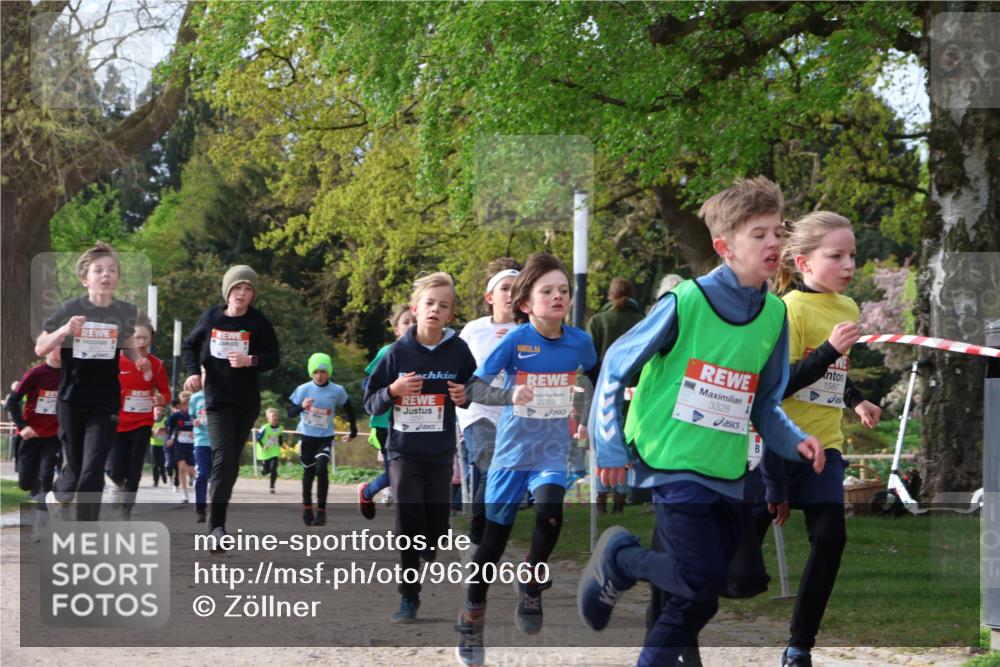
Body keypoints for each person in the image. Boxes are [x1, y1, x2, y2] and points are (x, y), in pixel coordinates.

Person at [577, 176, 825, 667]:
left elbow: (764, 405)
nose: (774, 242)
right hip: (672, 459)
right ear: (724, 247)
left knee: (703, 594)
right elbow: (614, 368)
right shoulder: (685, 301)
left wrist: (795, 441)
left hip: (727, 470)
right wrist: (608, 445)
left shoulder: (775, 315)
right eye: (759, 234)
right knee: (701, 579)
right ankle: (620, 559)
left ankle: (622, 564)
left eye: (778, 232)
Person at [455, 252, 598, 666]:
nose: (558, 297)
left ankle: (531, 581)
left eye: (564, 291)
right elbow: (474, 389)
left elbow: (596, 376)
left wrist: (586, 416)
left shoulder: (580, 341)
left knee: (551, 513)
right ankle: (472, 612)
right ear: (525, 303)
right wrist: (509, 395)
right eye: (547, 291)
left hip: (551, 451)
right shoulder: (515, 341)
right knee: (492, 546)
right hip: (512, 454)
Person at [763, 211, 882, 667]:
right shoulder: (788, 309)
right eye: (837, 256)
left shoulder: (847, 307)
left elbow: (831, 374)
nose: (849, 264)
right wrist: (831, 348)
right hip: (776, 447)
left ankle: (799, 647)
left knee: (831, 539)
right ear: (803, 262)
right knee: (738, 566)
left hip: (825, 447)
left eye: (852, 254)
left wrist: (856, 401)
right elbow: (781, 384)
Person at [364, 272, 477, 623]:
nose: (435, 310)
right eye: (429, 303)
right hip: (403, 450)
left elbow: (472, 389)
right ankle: (408, 597)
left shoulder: (458, 351)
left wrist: (465, 395)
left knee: (436, 528)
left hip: (440, 451)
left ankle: (431, 540)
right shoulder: (396, 353)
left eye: (443, 305)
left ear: (450, 315)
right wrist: (394, 390)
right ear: (415, 308)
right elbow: (370, 402)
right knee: (407, 516)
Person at [36, 242, 147, 521]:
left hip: (105, 399)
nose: (106, 275)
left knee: (93, 467)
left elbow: (125, 340)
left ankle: (86, 534)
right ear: (85, 279)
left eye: (112, 270)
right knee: (74, 470)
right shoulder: (70, 308)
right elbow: (40, 348)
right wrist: (64, 330)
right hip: (71, 398)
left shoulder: (125, 311)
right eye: (99, 270)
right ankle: (58, 496)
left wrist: (138, 358)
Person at [182, 265, 280, 550]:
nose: (242, 294)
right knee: (223, 459)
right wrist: (192, 372)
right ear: (228, 291)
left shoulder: (258, 322)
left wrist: (250, 360)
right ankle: (216, 528)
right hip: (217, 400)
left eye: (248, 289)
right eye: (237, 288)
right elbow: (190, 345)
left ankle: (218, 519)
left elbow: (274, 357)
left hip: (246, 401)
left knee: (231, 465)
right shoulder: (211, 317)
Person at [455, 258, 521, 545]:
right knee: (489, 467)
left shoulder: (529, 329)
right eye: (505, 288)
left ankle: (492, 539)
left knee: (507, 477)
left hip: (515, 413)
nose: (510, 294)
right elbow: (457, 368)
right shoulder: (473, 330)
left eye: (516, 289)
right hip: (477, 411)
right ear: (489, 297)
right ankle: (476, 541)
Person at [587, 277, 645, 513]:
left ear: (609, 295)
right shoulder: (643, 321)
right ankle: (622, 497)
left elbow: (590, 360)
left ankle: (601, 496)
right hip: (637, 390)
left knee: (604, 440)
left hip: (605, 392)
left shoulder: (598, 321)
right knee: (628, 442)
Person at [108, 313, 171, 519]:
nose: (140, 342)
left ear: (151, 338)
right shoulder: (117, 361)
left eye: (144, 337)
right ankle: (116, 484)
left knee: (135, 468)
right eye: (136, 337)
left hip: (143, 422)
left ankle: (126, 510)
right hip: (118, 422)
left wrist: (160, 400)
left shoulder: (157, 364)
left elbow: (166, 393)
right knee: (116, 470)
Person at [357, 305, 415, 518]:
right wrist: (391, 390)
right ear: (397, 330)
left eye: (414, 321)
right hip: (384, 422)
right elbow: (367, 384)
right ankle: (368, 492)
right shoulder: (388, 351)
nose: (411, 326)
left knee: (411, 471)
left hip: (413, 422)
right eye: (406, 322)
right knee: (396, 473)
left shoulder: (427, 355)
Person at [289, 353, 357, 526]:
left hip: (325, 438)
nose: (319, 376)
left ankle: (321, 511)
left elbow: (349, 409)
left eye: (323, 372)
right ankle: (306, 507)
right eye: (316, 372)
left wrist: (353, 430)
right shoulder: (303, 389)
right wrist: (301, 407)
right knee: (308, 473)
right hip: (307, 438)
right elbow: (290, 413)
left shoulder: (337, 390)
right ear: (311, 372)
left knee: (321, 469)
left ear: (329, 372)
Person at [5, 350, 62, 538]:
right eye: (54, 346)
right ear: (46, 350)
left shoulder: (69, 374)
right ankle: (39, 495)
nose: (58, 351)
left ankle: (42, 519)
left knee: (47, 475)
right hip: (31, 435)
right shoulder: (36, 373)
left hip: (53, 436)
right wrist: (23, 426)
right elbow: (12, 402)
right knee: (25, 483)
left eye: (62, 347)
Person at [189, 375, 212, 522]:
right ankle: (200, 509)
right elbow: (191, 416)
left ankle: (217, 507)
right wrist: (194, 421)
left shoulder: (220, 395)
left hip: (218, 441)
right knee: (202, 474)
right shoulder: (195, 397)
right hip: (201, 440)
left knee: (217, 476)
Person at [166, 391, 195, 503]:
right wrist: (170, 439)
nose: (186, 406)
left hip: (191, 444)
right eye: (184, 404)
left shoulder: (195, 415)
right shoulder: (176, 416)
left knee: (191, 470)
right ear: (180, 404)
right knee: (181, 467)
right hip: (179, 443)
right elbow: (171, 428)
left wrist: (195, 432)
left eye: (188, 404)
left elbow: (202, 427)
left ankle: (192, 476)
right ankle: (184, 494)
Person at [255, 407, 283, 496]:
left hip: (274, 451)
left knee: (273, 468)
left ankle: (272, 487)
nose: (274, 417)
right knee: (266, 471)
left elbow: (279, 435)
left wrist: (281, 443)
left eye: (276, 416)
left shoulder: (280, 427)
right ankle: (263, 470)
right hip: (264, 451)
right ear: (268, 418)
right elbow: (258, 438)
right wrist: (263, 446)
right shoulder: (265, 427)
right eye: (272, 416)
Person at [149, 406, 168, 487]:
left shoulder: (165, 419)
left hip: (163, 445)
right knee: (155, 464)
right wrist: (153, 431)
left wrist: (162, 429)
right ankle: (155, 481)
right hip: (153, 444)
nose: (159, 411)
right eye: (157, 410)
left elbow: (169, 429)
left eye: (161, 410)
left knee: (162, 463)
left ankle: (163, 474)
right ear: (153, 411)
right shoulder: (150, 420)